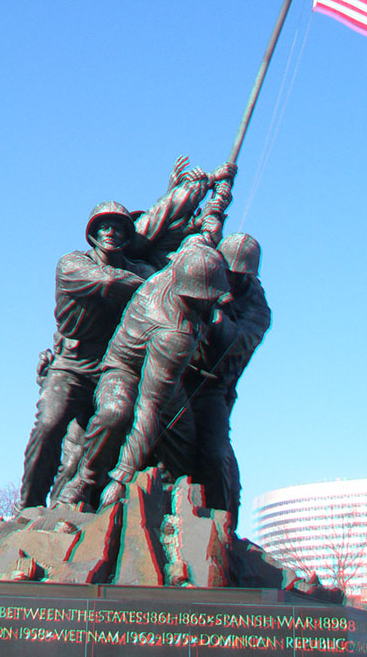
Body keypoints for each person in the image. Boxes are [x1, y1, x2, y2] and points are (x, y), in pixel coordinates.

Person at [16, 161, 235, 510]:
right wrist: (196, 187)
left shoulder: (147, 273)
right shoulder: (73, 265)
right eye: (104, 227)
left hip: (118, 364)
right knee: (50, 424)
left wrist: (216, 200)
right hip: (75, 366)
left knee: (127, 421)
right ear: (92, 232)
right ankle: (29, 507)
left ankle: (128, 499)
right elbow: (111, 280)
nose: (112, 233)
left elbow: (179, 238)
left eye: (120, 228)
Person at [55, 236, 231, 510]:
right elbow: (149, 405)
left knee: (185, 449)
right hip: (125, 369)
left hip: (165, 378)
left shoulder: (179, 265)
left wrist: (215, 210)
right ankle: (84, 481)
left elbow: (198, 243)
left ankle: (183, 505)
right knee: (115, 411)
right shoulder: (175, 333)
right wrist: (122, 476)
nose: (211, 302)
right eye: (206, 297)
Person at [183, 233, 270, 528]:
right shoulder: (208, 270)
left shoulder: (257, 311)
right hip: (177, 374)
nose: (229, 278)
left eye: (237, 274)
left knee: (217, 455)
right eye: (226, 270)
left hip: (212, 388)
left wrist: (214, 306)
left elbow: (237, 341)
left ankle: (219, 529)